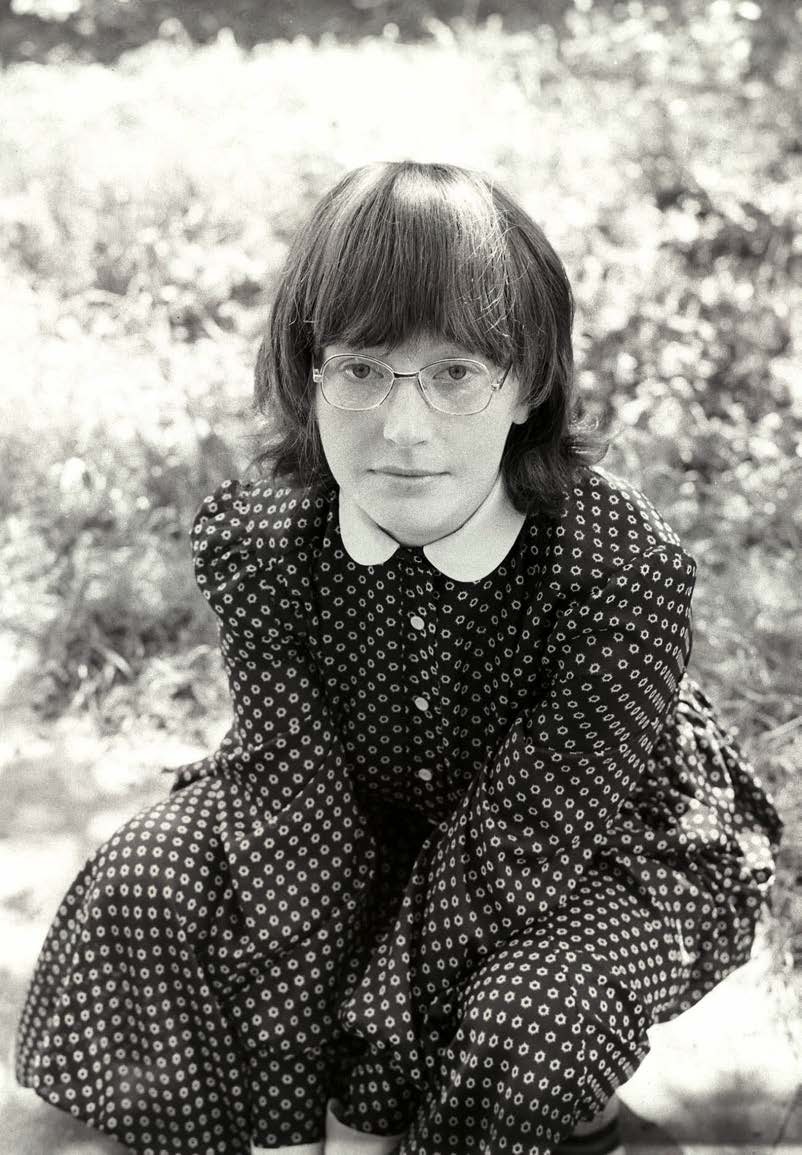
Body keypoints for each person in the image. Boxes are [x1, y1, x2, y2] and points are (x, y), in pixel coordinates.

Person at [15, 160, 783, 1155]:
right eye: (362, 370)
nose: (404, 429)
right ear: (309, 374)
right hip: (364, 813)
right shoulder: (264, 539)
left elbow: (517, 851)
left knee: (532, 1012)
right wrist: (293, 1126)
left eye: (456, 374)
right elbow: (293, 815)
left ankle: (586, 1122)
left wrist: (362, 1112)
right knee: (148, 881)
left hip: (586, 850)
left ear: (527, 386)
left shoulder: (615, 572)